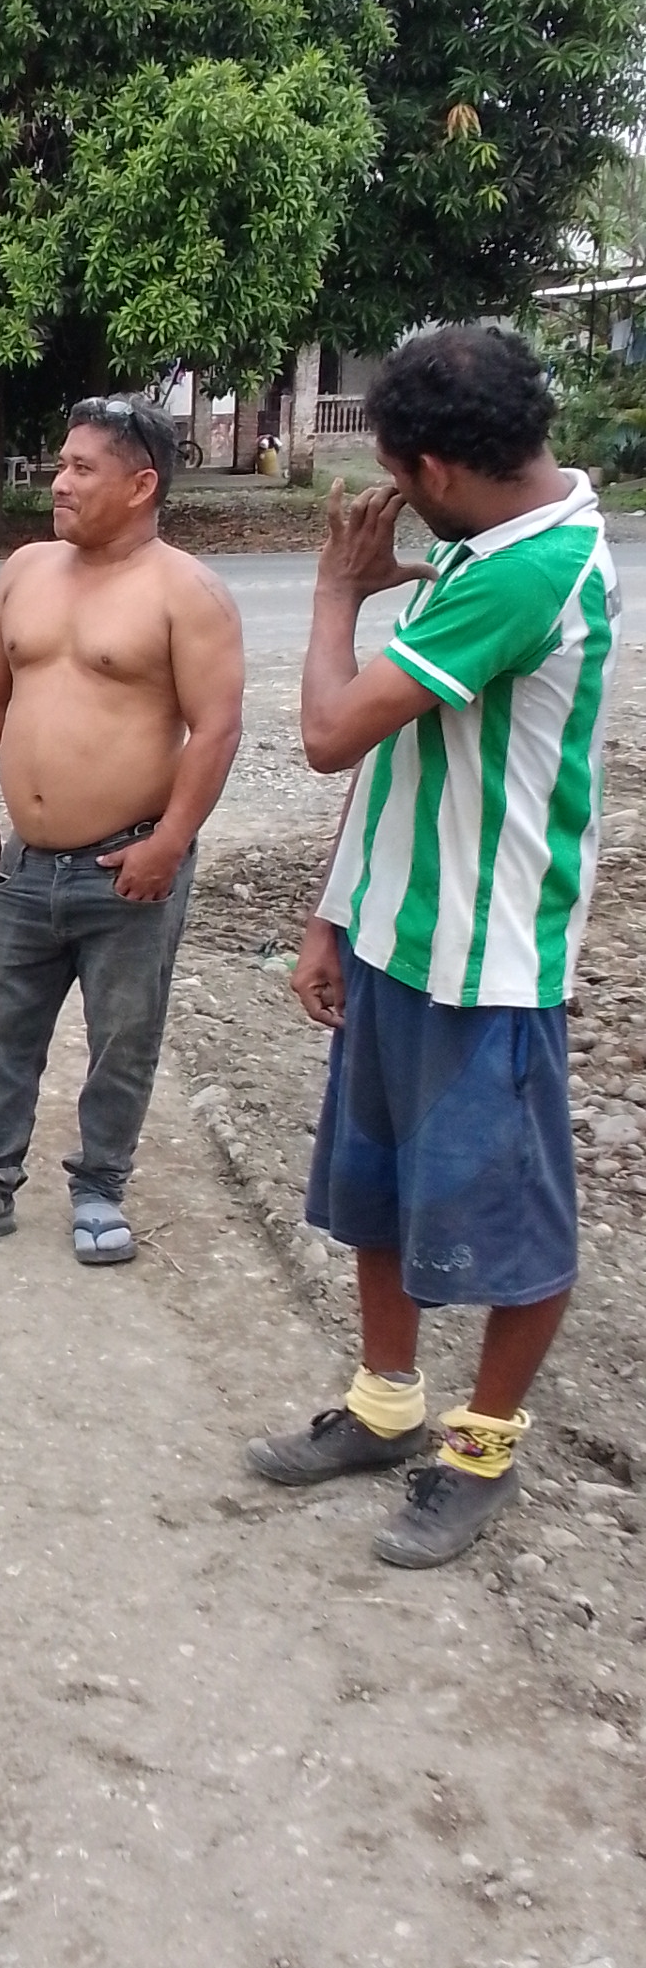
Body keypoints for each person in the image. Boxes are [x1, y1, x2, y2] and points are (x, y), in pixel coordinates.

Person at [247, 325, 620, 1566]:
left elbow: (329, 734)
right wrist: (332, 911)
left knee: (516, 1226)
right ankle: (386, 1405)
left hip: (488, 962)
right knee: (379, 1191)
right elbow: (400, 746)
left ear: (440, 472)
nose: (393, 504)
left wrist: (335, 595)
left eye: (399, 480)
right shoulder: (483, 545)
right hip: (398, 939)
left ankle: (482, 1450)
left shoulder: (530, 573)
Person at [0, 395, 245, 1266]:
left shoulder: (186, 592)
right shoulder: (26, 570)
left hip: (129, 862)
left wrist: (170, 842)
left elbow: (217, 728)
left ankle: (99, 1191)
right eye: (61, 463)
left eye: (83, 468)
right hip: (22, 863)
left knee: (124, 1037)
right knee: (1, 1032)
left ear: (142, 485)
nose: (60, 482)